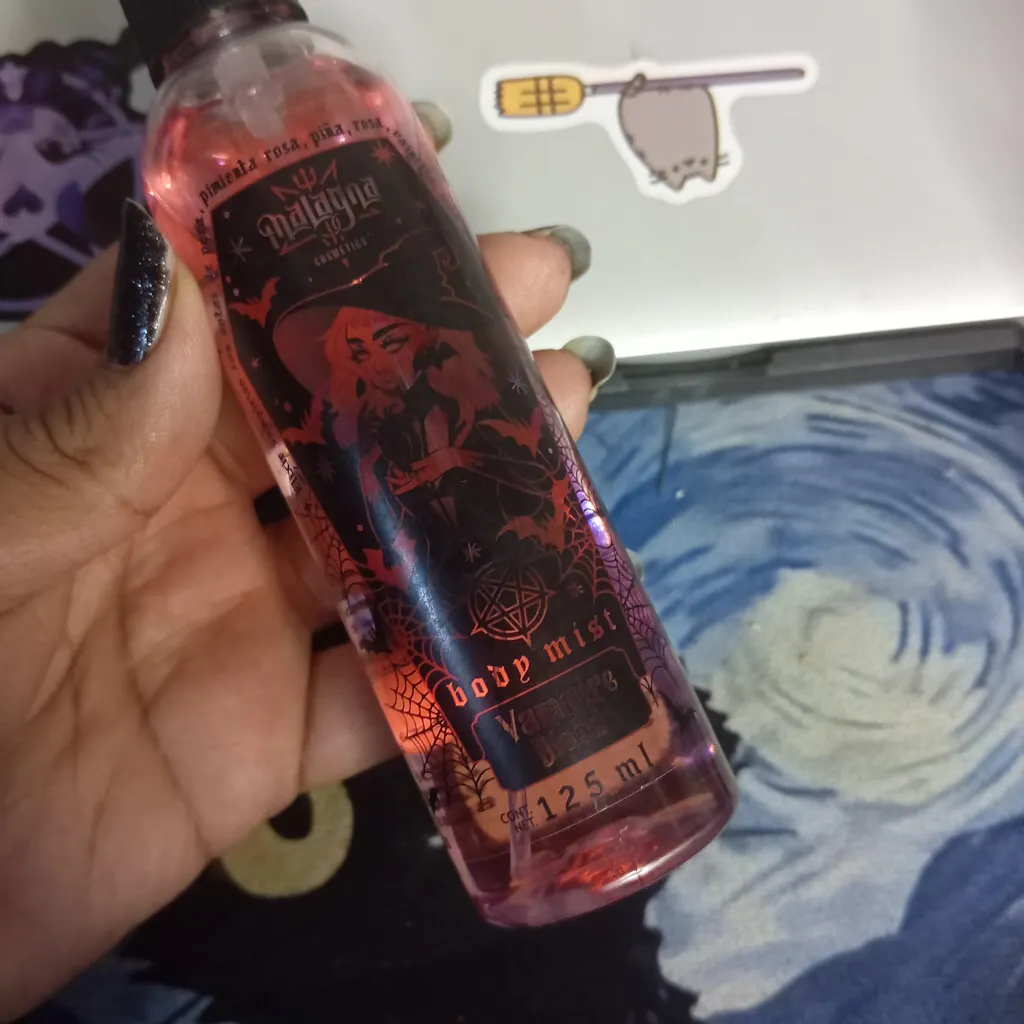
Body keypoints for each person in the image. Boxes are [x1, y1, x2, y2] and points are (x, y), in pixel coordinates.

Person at [0, 199, 601, 1018]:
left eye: (387, 341)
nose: (378, 357)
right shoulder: (350, 417)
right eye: (357, 350)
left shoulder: (451, 396)